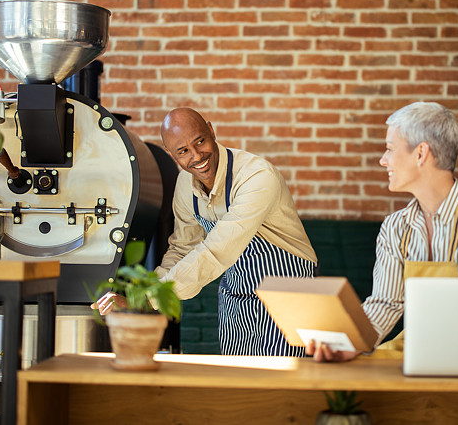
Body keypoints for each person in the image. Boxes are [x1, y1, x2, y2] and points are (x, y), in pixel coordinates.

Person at [307, 101, 458, 362]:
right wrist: (346, 342)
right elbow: (385, 304)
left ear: (421, 153)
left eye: (390, 149)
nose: (383, 160)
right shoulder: (395, 227)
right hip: (413, 353)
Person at [94, 107, 317, 356]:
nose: (197, 156)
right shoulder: (184, 185)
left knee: (282, 376)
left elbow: (218, 250)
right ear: (171, 154)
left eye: (200, 141)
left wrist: (148, 299)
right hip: (236, 298)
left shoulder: (256, 176)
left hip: (287, 293)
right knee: (237, 375)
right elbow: (182, 249)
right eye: (183, 151)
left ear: (211, 130)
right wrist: (141, 294)